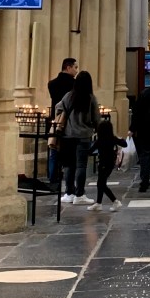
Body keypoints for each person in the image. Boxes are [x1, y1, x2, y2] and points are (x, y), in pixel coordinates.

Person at [55, 69, 100, 205]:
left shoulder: (68, 96)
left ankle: (69, 193)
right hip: (83, 136)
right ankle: (79, 194)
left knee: (69, 165)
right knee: (81, 165)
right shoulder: (90, 98)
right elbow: (96, 118)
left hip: (68, 135)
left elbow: (58, 108)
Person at [47, 57, 78, 188]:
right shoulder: (74, 85)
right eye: (75, 67)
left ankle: (53, 178)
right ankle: (70, 182)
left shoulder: (52, 84)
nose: (76, 70)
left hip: (56, 121)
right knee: (70, 154)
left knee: (54, 150)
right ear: (68, 67)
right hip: (70, 122)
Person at [88, 120, 127, 212]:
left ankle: (115, 201)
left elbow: (90, 151)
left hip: (103, 164)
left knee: (101, 184)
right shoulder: (113, 138)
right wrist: (120, 138)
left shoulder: (100, 140)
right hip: (110, 164)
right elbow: (124, 144)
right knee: (101, 183)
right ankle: (98, 203)